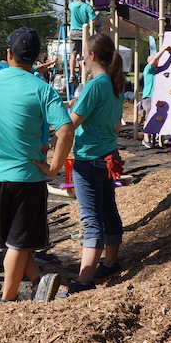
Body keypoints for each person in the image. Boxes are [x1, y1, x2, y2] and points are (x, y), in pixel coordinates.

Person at [0, 27, 74, 303]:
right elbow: (65, 130)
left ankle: (9, 298)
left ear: (9, 54)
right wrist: (54, 168)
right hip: (27, 178)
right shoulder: (43, 90)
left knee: (13, 243)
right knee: (18, 243)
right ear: (36, 58)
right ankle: (35, 285)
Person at [60, 33, 126, 298]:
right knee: (108, 211)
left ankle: (84, 281)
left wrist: (48, 144)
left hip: (90, 160)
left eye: (83, 53)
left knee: (91, 221)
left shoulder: (94, 85)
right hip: (110, 155)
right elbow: (117, 125)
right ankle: (110, 263)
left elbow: (71, 125)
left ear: (91, 56)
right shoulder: (114, 83)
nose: (80, 58)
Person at [140, 45, 171, 148]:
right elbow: (155, 59)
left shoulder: (156, 71)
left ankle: (158, 137)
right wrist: (163, 50)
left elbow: (167, 65)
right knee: (149, 117)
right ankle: (146, 139)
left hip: (157, 97)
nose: (158, 63)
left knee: (159, 116)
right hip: (149, 97)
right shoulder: (149, 69)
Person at [68, 0, 101, 82]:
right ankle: (82, 74)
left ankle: (72, 75)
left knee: (73, 54)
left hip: (73, 31)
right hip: (84, 32)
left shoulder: (73, 5)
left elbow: (77, 0)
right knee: (83, 54)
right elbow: (94, 20)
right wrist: (97, 14)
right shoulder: (88, 7)